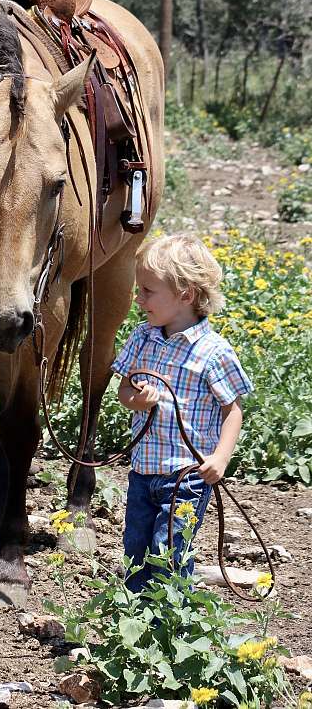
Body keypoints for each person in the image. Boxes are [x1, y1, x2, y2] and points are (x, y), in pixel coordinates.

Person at [111, 232, 253, 592]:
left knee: (170, 551)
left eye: (147, 291)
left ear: (185, 295)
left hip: (186, 475)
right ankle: (136, 625)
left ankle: (170, 625)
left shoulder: (213, 352)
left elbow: (232, 409)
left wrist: (220, 458)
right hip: (143, 470)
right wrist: (135, 400)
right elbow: (124, 389)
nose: (138, 299)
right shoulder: (142, 337)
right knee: (135, 550)